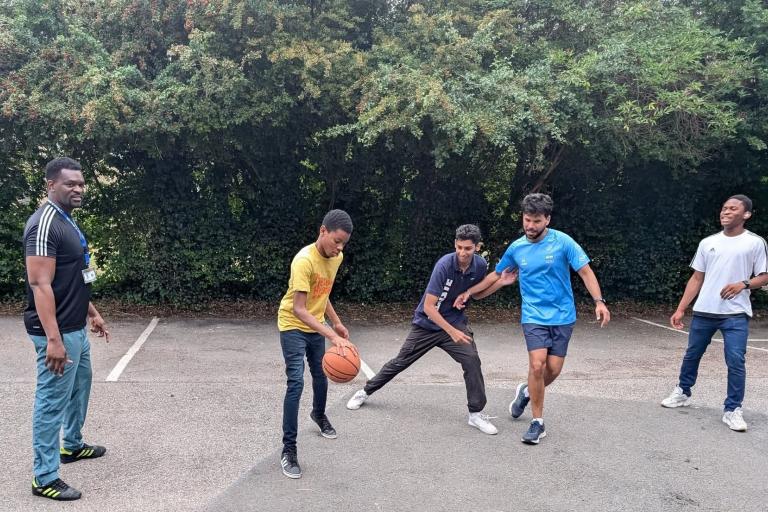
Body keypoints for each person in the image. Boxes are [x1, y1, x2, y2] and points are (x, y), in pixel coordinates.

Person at [455, 193, 610, 445]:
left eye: (536, 221)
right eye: (527, 219)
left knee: (553, 370)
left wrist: (599, 302)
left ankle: (527, 391)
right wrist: (469, 292)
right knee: (537, 366)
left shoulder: (564, 242)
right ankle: (537, 423)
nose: (530, 226)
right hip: (533, 315)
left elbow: (585, 271)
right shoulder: (517, 248)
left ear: (547, 219)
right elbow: (496, 276)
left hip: (562, 315)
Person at [346, 224, 516, 435]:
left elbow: (477, 294)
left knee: (471, 359)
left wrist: (500, 283)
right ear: (455, 244)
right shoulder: (444, 265)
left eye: (468, 249)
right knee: (400, 362)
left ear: (477, 247)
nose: (463, 253)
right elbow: (429, 306)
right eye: (459, 247)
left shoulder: (480, 265)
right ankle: (364, 391)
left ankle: (475, 414)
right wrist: (451, 332)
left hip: (455, 322)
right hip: (427, 324)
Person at [24, 157, 111, 501]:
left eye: (81, 183)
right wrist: (54, 340)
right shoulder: (44, 223)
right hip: (57, 333)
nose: (78, 189)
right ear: (50, 185)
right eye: (70, 184)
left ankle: (72, 445)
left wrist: (92, 312)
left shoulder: (66, 221)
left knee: (80, 385)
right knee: (51, 401)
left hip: (76, 326)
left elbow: (72, 276)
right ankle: (44, 476)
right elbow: (40, 284)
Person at [661, 195, 768, 431]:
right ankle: (683, 391)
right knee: (692, 355)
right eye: (724, 208)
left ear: (746, 215)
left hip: (735, 313)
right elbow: (697, 277)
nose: (726, 212)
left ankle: (733, 410)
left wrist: (743, 284)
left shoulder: (754, 243)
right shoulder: (708, 242)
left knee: (736, 360)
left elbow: (764, 276)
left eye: (733, 209)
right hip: (704, 311)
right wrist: (681, 308)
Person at [277, 209, 355, 479]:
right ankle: (288, 450)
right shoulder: (303, 261)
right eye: (336, 241)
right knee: (296, 383)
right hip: (292, 326)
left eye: (343, 243)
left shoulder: (337, 257)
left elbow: (324, 292)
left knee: (321, 376)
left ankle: (318, 415)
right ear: (323, 231)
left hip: (316, 324)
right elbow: (299, 309)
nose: (339, 248)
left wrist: (336, 323)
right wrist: (331, 336)